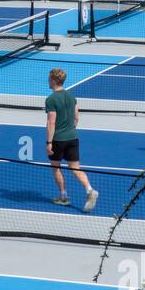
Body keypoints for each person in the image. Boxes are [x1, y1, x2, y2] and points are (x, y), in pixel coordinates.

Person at [45, 68, 98, 212]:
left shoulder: (51, 99)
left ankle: (63, 196)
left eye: (49, 79)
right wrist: (70, 130)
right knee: (75, 168)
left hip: (58, 140)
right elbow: (76, 117)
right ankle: (89, 190)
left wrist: (49, 142)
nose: (48, 81)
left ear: (54, 80)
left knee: (55, 167)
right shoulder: (71, 97)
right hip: (73, 137)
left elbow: (51, 122)